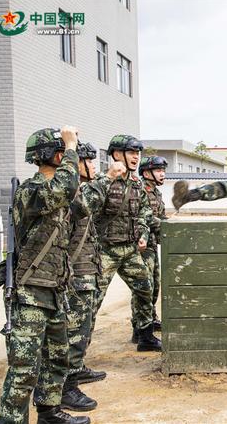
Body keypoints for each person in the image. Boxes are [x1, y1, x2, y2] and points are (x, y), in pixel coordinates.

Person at [0, 127, 89, 424]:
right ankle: (10, 420)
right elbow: (64, 189)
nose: (67, 155)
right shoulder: (32, 191)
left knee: (57, 357)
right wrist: (73, 146)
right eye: (63, 150)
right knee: (24, 368)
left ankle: (48, 413)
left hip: (54, 289)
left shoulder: (59, 195)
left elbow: (82, 206)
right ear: (51, 154)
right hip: (29, 292)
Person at [61, 142, 127, 411]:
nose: (93, 165)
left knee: (83, 327)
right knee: (72, 332)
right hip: (74, 273)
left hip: (86, 270)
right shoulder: (71, 192)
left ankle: (75, 371)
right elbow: (83, 205)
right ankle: (65, 387)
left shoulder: (81, 188)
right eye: (88, 160)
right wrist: (108, 176)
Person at [92, 135, 161, 352]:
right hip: (105, 250)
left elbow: (143, 212)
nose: (135, 157)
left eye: (137, 153)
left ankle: (145, 337)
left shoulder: (136, 184)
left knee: (145, 289)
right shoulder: (102, 182)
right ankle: (74, 356)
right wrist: (109, 178)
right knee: (92, 299)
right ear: (116, 154)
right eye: (131, 152)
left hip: (130, 249)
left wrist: (142, 231)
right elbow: (87, 211)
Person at [131, 156, 168, 342]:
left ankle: (150, 319)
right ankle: (139, 328)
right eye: (159, 170)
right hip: (142, 245)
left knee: (154, 286)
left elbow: (161, 217)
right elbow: (143, 217)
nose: (163, 173)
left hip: (152, 245)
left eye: (163, 170)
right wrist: (166, 226)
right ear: (147, 173)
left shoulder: (156, 192)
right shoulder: (140, 190)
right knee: (143, 288)